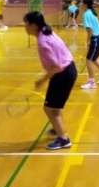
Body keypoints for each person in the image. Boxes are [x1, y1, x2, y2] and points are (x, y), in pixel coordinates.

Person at [24, 11, 77, 150]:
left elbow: (56, 66)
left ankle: (64, 139)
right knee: (55, 107)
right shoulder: (47, 31)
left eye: (26, 24)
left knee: (49, 108)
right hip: (68, 69)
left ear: (34, 25)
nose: (25, 27)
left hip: (63, 73)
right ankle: (57, 128)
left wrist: (42, 80)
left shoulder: (43, 42)